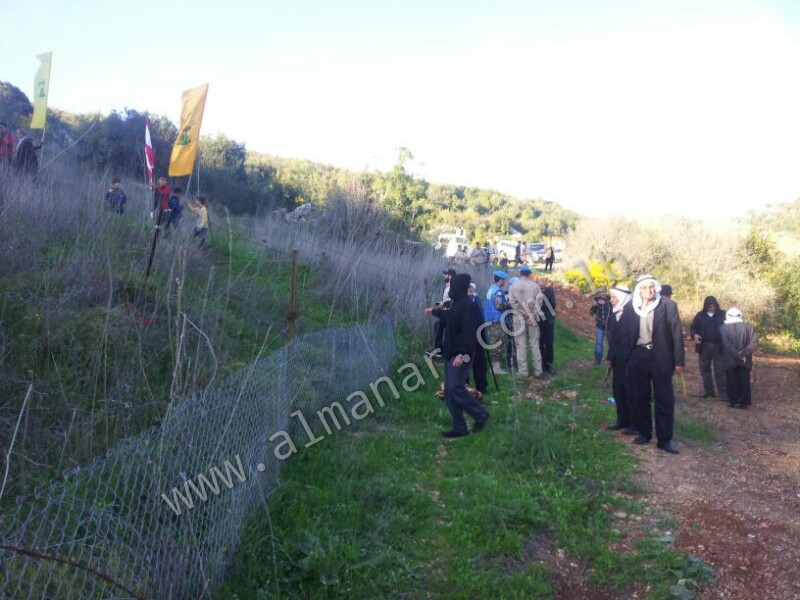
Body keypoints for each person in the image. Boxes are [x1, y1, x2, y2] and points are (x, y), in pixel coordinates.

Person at [621, 274, 685, 454]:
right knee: (640, 396)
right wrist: (627, 358)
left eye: (651, 287)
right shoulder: (631, 307)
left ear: (655, 288)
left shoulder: (668, 306)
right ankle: (644, 433)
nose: (648, 291)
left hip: (661, 356)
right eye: (644, 287)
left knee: (664, 398)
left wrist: (679, 360)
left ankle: (665, 440)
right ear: (638, 289)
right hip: (638, 355)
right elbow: (625, 335)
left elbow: (676, 334)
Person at [425, 273, 490, 438]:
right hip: (451, 353)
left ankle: (480, 413)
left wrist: (463, 355)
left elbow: (469, 333)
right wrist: (434, 311)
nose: (450, 288)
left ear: (458, 287)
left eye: (453, 285)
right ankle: (460, 427)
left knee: (456, 388)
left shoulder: (468, 306)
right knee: (448, 393)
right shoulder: (458, 304)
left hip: (462, 354)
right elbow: (450, 317)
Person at [605, 285, 637, 434]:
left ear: (622, 297)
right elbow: (613, 338)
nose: (611, 300)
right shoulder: (615, 312)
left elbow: (634, 337)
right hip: (617, 359)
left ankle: (634, 424)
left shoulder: (633, 312)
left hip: (630, 359)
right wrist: (610, 357)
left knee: (630, 392)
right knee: (618, 390)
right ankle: (621, 420)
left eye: (614, 297)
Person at [508, 265, 543, 378]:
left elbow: (512, 303)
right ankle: (538, 371)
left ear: (520, 273)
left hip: (518, 318)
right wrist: (531, 315)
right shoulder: (535, 286)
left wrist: (523, 314)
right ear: (529, 274)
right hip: (532, 319)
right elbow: (539, 303)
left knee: (520, 345)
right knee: (534, 344)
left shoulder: (514, 285)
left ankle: (523, 372)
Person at [690, 296, 727, 400]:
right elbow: (693, 328)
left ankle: (723, 393)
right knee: (704, 369)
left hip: (719, 346)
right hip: (704, 345)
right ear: (706, 306)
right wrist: (695, 335)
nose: (712, 308)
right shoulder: (700, 316)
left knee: (720, 370)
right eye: (710, 306)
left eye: (714, 306)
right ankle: (708, 390)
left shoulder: (723, 315)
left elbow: (730, 328)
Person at [720, 308, 757, 409]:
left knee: (731, 380)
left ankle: (733, 401)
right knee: (744, 380)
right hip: (745, 359)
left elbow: (727, 344)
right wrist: (743, 354)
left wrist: (738, 354)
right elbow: (753, 344)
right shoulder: (750, 327)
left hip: (730, 358)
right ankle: (744, 403)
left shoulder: (723, 328)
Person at [484, 270, 509, 374]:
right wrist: (508, 303)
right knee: (498, 341)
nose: (505, 282)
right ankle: (496, 367)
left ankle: (495, 365)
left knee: (494, 341)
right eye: (504, 280)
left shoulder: (491, 289)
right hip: (497, 319)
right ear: (501, 280)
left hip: (491, 318)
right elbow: (499, 306)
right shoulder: (498, 291)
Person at [428, 269, 455, 357]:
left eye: (445, 274)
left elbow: (454, 301)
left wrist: (445, 304)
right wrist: (440, 303)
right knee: (438, 326)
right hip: (446, 312)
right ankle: (440, 349)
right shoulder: (448, 286)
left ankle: (439, 350)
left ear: (450, 276)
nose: (444, 276)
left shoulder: (453, 287)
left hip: (449, 314)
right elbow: (447, 300)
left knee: (439, 326)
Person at [468, 282, 488, 394]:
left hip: (479, 335)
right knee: (465, 363)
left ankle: (482, 387)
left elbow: (482, 316)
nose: (470, 290)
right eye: (468, 288)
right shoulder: (460, 300)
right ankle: (464, 386)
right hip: (466, 338)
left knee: (480, 363)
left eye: (472, 288)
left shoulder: (477, 299)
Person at [536, 276, 557, 375]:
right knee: (539, 343)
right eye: (540, 287)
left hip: (548, 320)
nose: (541, 289)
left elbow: (552, 304)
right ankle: (542, 363)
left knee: (549, 343)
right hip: (538, 321)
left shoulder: (550, 291)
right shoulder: (535, 292)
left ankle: (549, 364)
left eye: (542, 287)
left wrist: (541, 305)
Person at [589, 286, 612, 365]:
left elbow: (612, 311)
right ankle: (597, 361)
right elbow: (591, 313)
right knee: (599, 343)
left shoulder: (610, 300)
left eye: (603, 292)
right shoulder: (596, 300)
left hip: (610, 325)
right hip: (600, 325)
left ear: (606, 292)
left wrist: (606, 304)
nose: (602, 293)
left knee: (611, 344)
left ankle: (610, 360)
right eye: (600, 292)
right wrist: (596, 305)